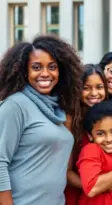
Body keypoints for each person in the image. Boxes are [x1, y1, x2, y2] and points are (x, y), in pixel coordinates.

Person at [0, 35, 83, 205]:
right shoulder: (15, 105)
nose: (45, 73)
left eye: (52, 67)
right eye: (36, 67)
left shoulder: (58, 109)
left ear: (61, 71)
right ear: (25, 71)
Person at [65, 64, 109, 205]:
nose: (94, 93)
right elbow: (66, 172)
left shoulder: (109, 115)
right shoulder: (70, 120)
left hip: (103, 194)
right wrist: (97, 187)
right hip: (77, 193)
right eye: (86, 88)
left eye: (99, 87)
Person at [76, 101, 112, 205]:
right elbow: (92, 188)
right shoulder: (91, 150)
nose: (109, 139)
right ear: (90, 136)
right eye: (100, 133)